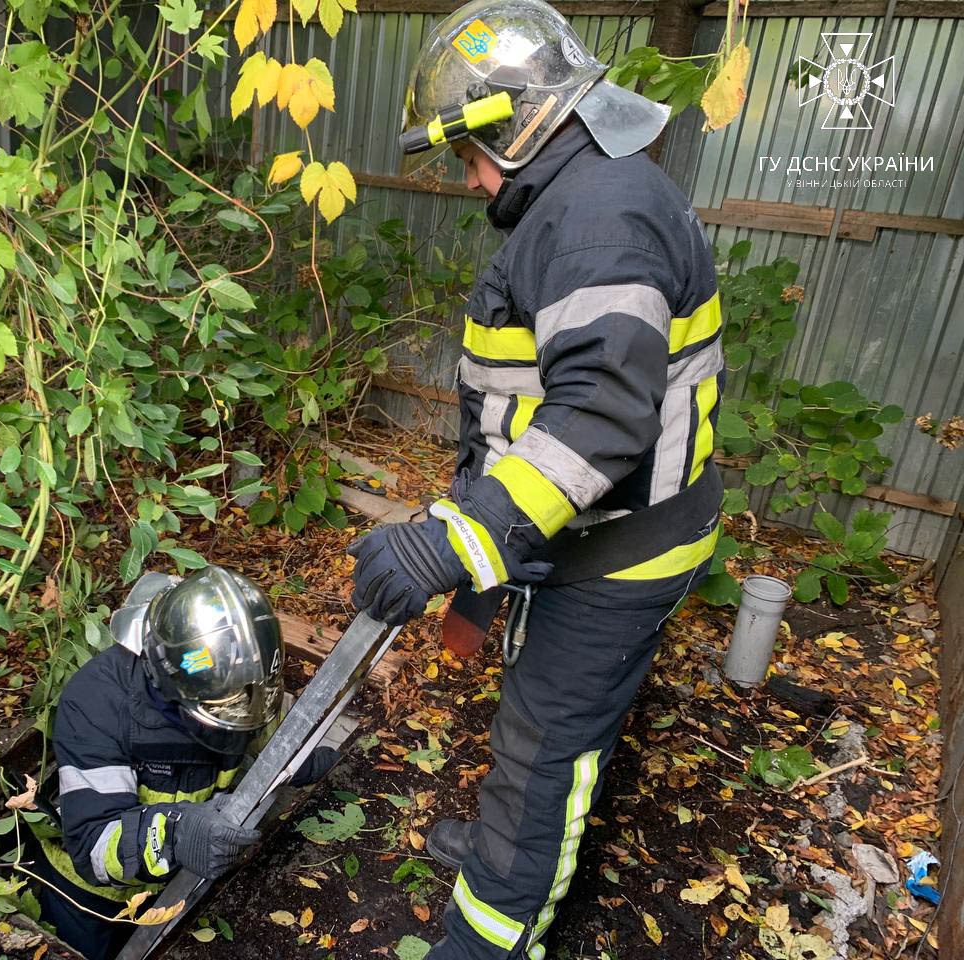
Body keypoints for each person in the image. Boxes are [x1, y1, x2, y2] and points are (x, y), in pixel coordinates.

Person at [348, 3, 725, 959]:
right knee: (530, 717)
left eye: (472, 149)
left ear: (525, 121)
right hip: (576, 535)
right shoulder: (583, 198)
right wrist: (485, 570)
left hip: (619, 554)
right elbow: (525, 410)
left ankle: (492, 934)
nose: (468, 176)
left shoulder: (600, 220)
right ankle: (502, 856)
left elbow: (596, 420)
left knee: (544, 752)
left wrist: (450, 542)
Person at [26, 565, 337, 959]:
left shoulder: (233, 680)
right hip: (92, 896)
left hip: (177, 880)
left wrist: (303, 762)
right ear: (175, 680)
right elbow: (93, 844)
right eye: (226, 703)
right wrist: (175, 834)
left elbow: (263, 727)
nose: (239, 709)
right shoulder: (96, 705)